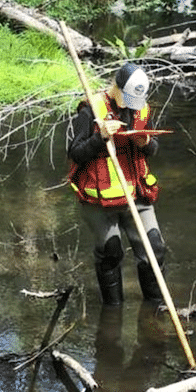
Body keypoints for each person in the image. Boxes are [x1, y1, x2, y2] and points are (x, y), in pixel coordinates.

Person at [66, 62, 166, 306]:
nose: (131, 106)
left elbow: (152, 149)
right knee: (111, 252)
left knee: (154, 249)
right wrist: (100, 138)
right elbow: (75, 153)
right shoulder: (90, 111)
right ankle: (113, 313)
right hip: (100, 201)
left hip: (137, 195)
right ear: (116, 88)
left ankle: (154, 310)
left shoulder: (140, 110)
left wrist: (146, 143)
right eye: (127, 98)